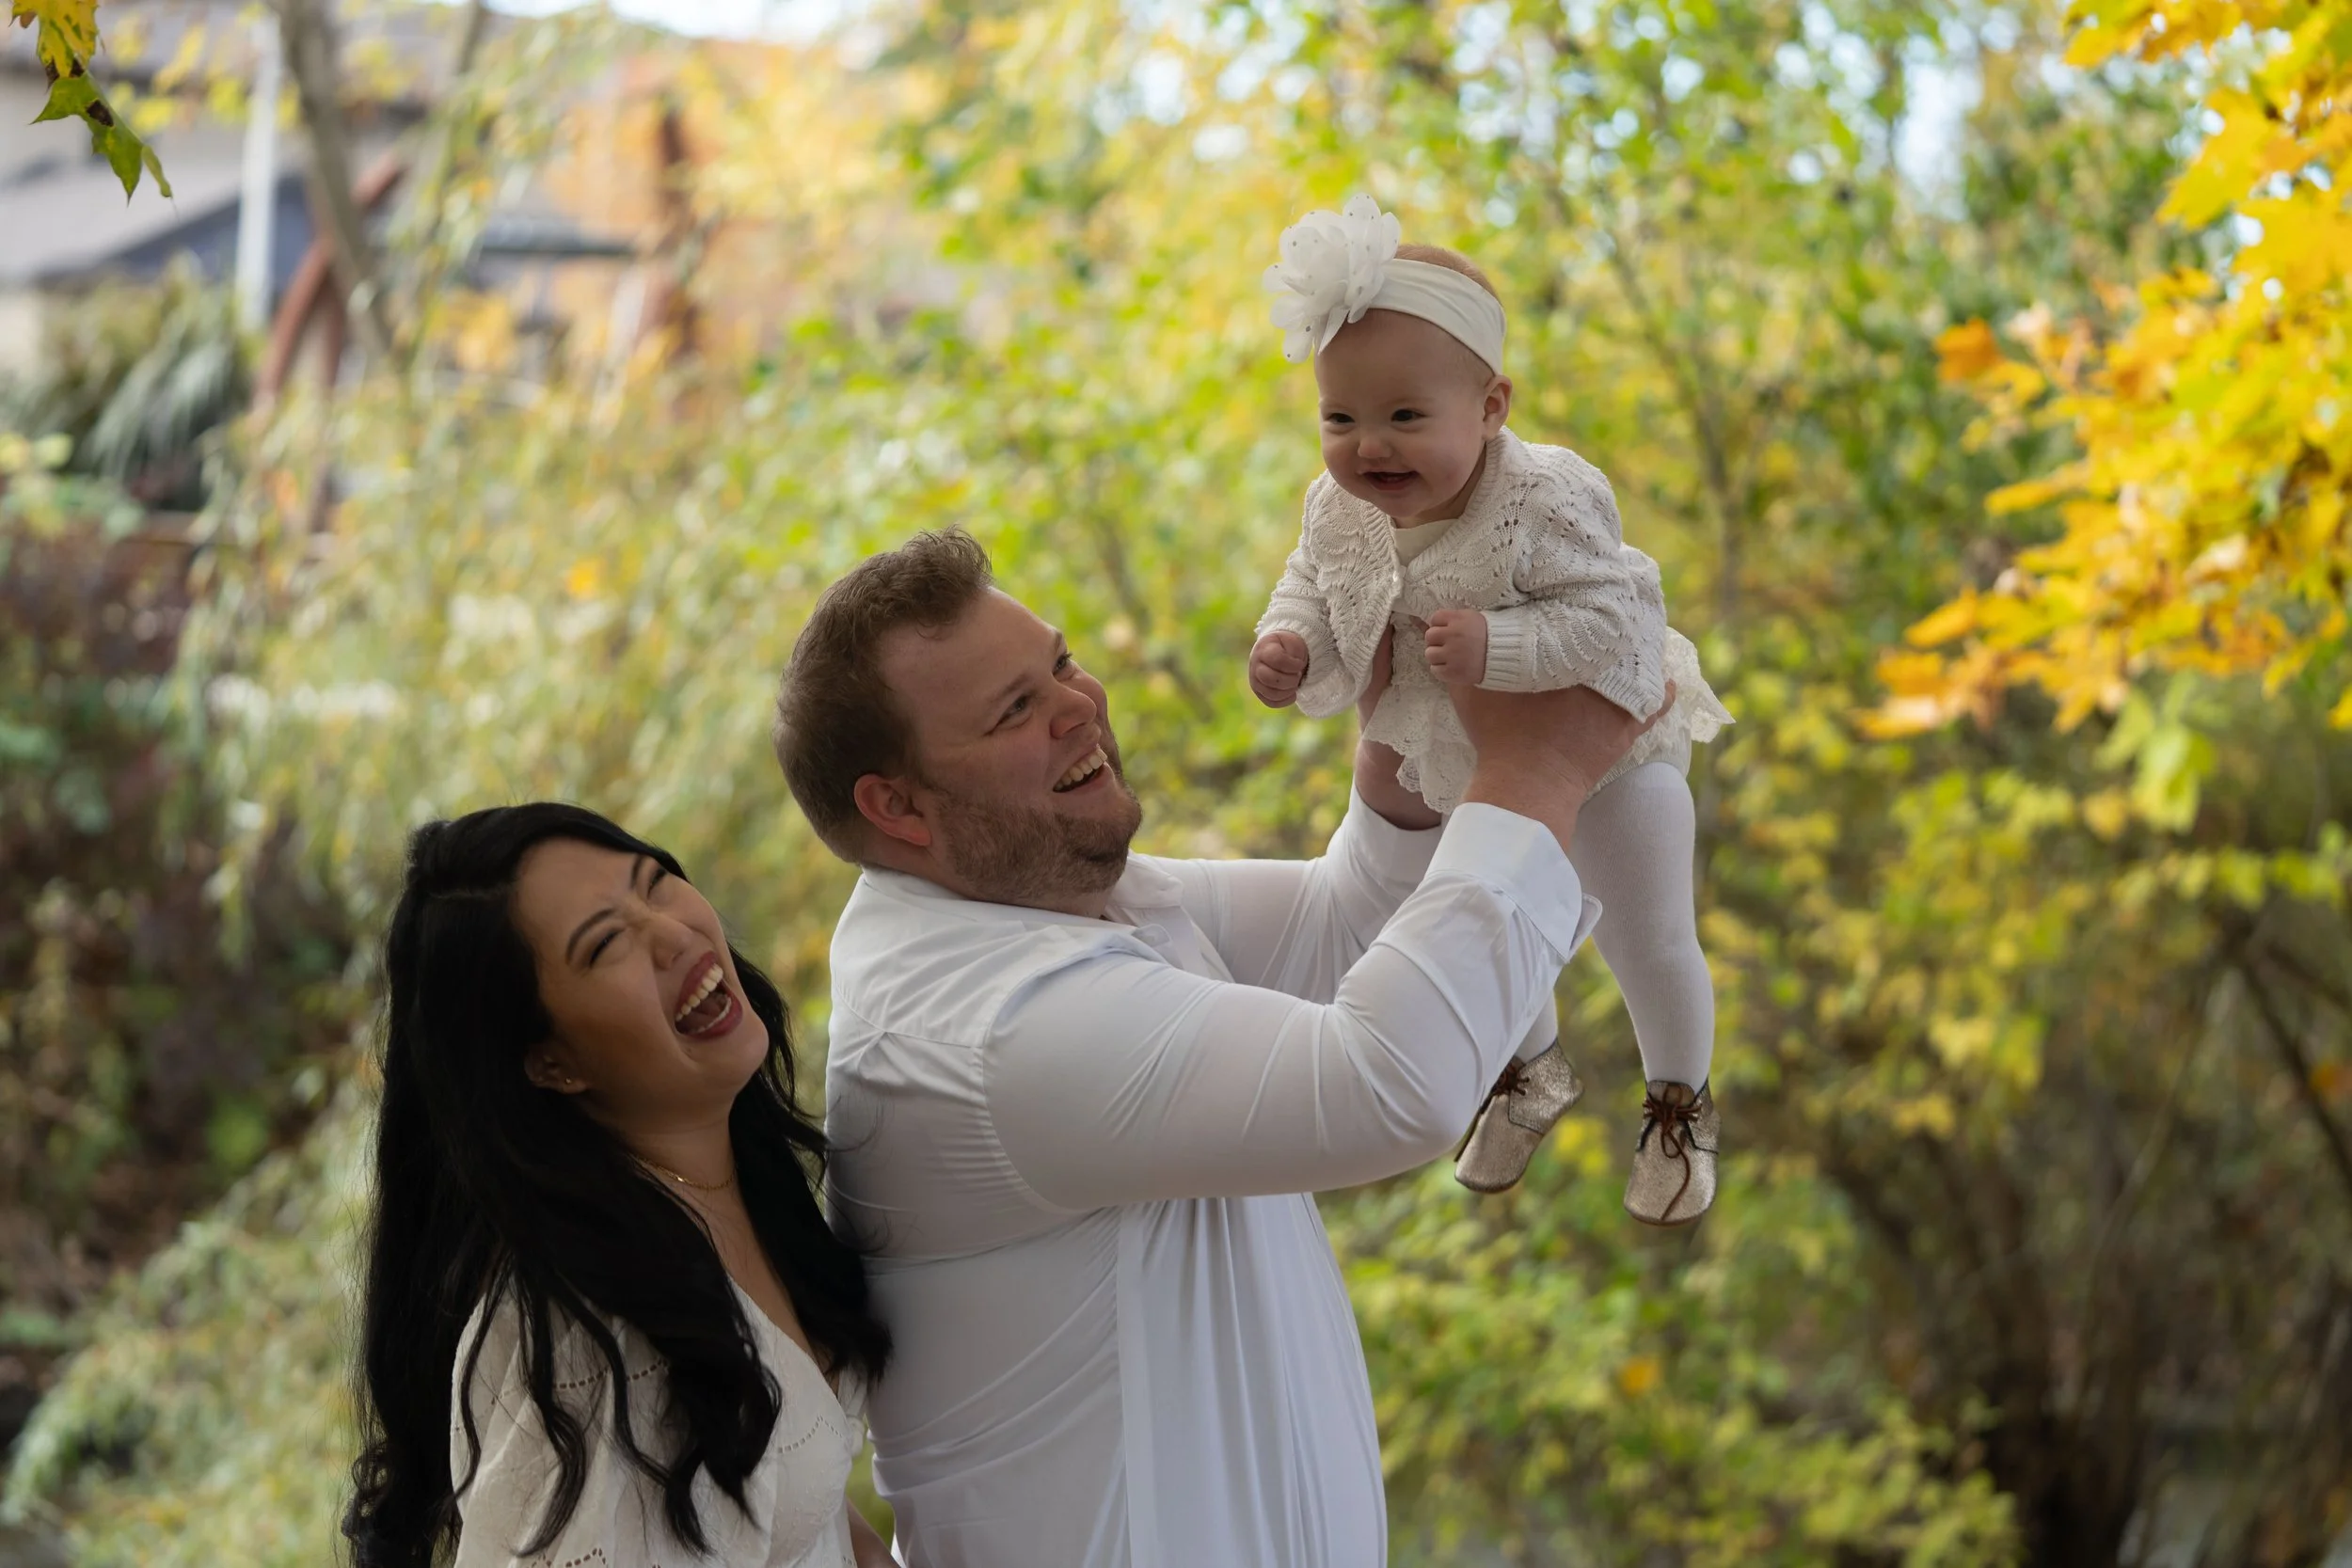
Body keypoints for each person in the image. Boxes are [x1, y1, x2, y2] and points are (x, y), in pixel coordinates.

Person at [771, 527, 1667, 1567]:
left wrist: (1402, 728)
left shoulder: (1048, 902)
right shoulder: (983, 1028)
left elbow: (1346, 929)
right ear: (897, 807)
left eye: (1058, 661)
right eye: (1015, 709)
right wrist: (1535, 769)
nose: (1078, 703)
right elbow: (1388, 1083)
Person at [1251, 194, 1733, 1221]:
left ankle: (1679, 1103)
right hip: (1452, 743)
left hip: (1603, 738)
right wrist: (1289, 641)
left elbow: (1618, 619)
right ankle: (1530, 1066)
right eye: (1340, 418)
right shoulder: (1338, 503)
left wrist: (1500, 645)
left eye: (1405, 417)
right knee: (1464, 907)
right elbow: (1313, 577)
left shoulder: (1546, 494)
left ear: (1493, 406)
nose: (1368, 446)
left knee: (1645, 934)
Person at [343, 803, 896, 1568]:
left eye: (655, 882)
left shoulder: (732, 1177)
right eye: (606, 943)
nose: (674, 934)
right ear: (550, 1062)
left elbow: (805, 1519)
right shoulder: (585, 1344)